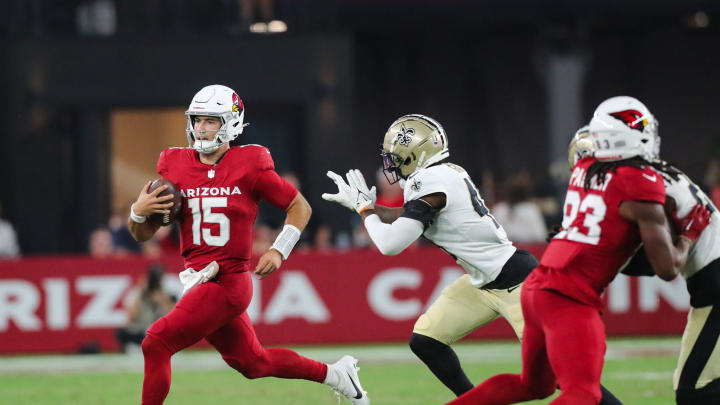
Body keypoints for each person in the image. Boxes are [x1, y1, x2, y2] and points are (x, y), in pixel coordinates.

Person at [322, 114, 622, 405]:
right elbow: (407, 216)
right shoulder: (445, 173)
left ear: (414, 153)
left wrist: (365, 211)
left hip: (519, 285)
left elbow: (390, 244)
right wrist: (368, 208)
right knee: (426, 341)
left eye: (396, 155)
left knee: (563, 378)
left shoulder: (427, 181)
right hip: (483, 282)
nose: (392, 163)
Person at [444, 96, 711, 405]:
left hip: (537, 288)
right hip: (570, 298)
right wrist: (690, 233)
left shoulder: (585, 167)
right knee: (583, 394)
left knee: (534, 385)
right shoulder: (641, 182)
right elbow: (667, 268)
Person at [127, 84, 368, 405]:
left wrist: (279, 248)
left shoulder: (250, 163)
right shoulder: (174, 164)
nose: (201, 128)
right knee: (253, 363)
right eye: (197, 120)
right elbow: (141, 234)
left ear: (231, 122)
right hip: (197, 281)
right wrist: (137, 213)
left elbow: (300, 207)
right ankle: (338, 375)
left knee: (155, 343)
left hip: (228, 282)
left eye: (211, 121)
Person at [572, 126, 720, 404]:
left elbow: (663, 265)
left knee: (694, 390)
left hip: (714, 285)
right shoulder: (652, 172)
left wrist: (688, 235)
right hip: (708, 285)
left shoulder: (642, 185)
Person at [116, 264, 175, 353]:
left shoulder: (165, 294)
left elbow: (174, 319)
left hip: (158, 333)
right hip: (139, 333)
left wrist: (162, 300)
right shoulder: (136, 293)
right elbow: (130, 319)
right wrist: (142, 295)